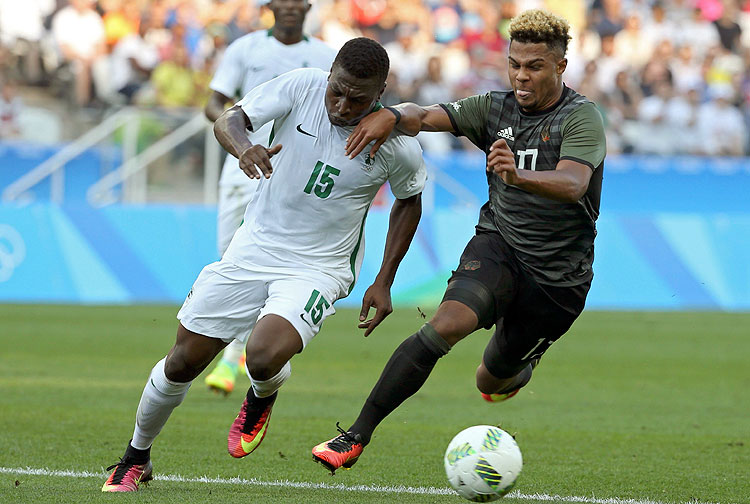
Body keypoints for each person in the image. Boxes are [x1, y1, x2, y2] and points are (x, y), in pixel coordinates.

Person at [101, 37, 427, 492]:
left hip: (319, 267)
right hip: (252, 248)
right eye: (338, 90)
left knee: (263, 353)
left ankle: (262, 393)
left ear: (380, 92)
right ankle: (135, 457)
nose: (342, 104)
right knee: (182, 362)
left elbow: (409, 202)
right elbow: (229, 118)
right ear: (329, 73)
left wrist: (384, 280)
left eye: (358, 98)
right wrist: (244, 148)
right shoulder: (301, 87)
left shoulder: (398, 144)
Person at [311, 9, 606, 474]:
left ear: (560, 67)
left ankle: (519, 364)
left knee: (492, 379)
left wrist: (517, 175)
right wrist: (390, 115)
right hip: (499, 248)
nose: (522, 76)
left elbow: (573, 184)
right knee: (445, 325)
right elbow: (428, 115)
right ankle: (354, 436)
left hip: (557, 282)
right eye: (515, 64)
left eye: (535, 66)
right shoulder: (494, 108)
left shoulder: (581, 117)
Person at [202, 0, 336, 396]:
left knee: (280, 260)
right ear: (270, 6)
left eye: (299, 1)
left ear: (308, 7)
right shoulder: (244, 49)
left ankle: (233, 357)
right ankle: (240, 350)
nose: (291, 6)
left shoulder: (325, 56)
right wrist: (240, 134)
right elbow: (214, 101)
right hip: (242, 165)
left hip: (293, 173)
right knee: (232, 260)